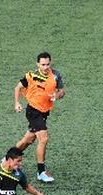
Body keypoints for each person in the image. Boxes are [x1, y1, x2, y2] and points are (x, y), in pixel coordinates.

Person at [14, 52, 65, 183]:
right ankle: (41, 172)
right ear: (38, 64)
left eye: (48, 64)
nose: (45, 67)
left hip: (44, 112)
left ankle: (8, 159)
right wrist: (17, 103)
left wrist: (57, 96)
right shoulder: (31, 75)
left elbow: (61, 91)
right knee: (43, 138)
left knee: (27, 140)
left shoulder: (56, 75)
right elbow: (18, 87)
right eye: (43, 64)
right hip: (33, 111)